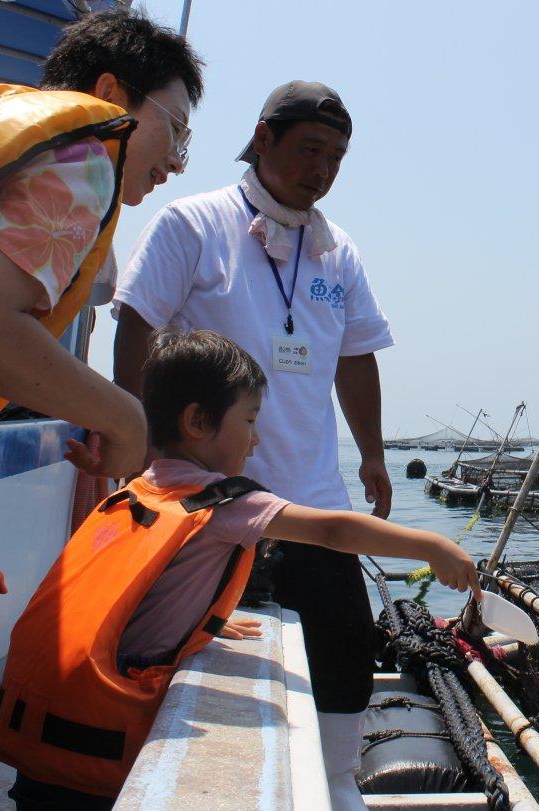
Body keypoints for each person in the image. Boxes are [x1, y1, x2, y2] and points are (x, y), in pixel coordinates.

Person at [0, 329, 481, 810]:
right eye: (249, 421)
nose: (256, 439)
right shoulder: (224, 502)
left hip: (44, 747)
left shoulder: (140, 490)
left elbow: (148, 592)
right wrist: (432, 546)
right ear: (197, 422)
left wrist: (210, 621)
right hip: (97, 773)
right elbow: (332, 532)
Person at [113, 81, 392, 807]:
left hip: (313, 500)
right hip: (209, 509)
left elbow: (356, 356)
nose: (322, 169)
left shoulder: (339, 254)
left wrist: (373, 453)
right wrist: (136, 443)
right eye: (308, 149)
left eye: (336, 156)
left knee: (345, 654)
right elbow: (137, 322)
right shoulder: (192, 223)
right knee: (199, 665)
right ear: (263, 138)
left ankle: (337, 784)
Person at [0, 9, 204, 626]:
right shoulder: (86, 160)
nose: (178, 163)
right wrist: (127, 419)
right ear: (109, 95)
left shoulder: (2, 144)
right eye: (176, 131)